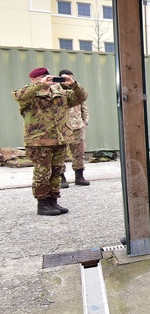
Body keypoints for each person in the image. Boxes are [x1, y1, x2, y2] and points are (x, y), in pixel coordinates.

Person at [11, 67, 88, 216]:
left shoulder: (60, 95)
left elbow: (82, 97)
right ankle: (42, 204)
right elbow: (19, 97)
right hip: (39, 141)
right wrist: (40, 85)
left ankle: (53, 200)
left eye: (47, 76)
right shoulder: (29, 95)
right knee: (42, 172)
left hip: (59, 139)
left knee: (57, 171)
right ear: (34, 79)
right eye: (41, 77)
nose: (46, 79)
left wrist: (73, 84)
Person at [58, 70, 90, 187]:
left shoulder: (77, 91)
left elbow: (84, 107)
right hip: (61, 128)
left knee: (79, 152)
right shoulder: (56, 92)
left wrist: (85, 121)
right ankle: (61, 178)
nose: (67, 80)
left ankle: (79, 176)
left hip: (77, 127)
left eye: (70, 78)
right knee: (60, 154)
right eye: (64, 78)